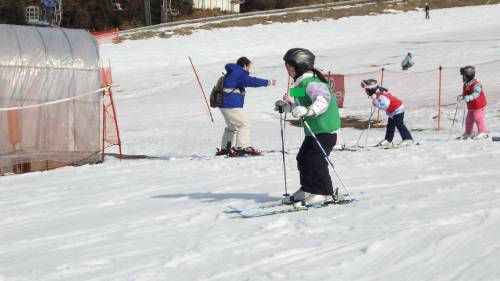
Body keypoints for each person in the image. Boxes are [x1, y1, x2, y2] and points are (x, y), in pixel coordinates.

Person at [275, 48, 341, 205]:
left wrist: (309, 110)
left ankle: (324, 192)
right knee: (303, 158)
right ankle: (308, 189)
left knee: (315, 159)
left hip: (326, 129)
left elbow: (323, 100)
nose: (287, 69)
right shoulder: (299, 84)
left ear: (300, 65)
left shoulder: (312, 83)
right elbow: (299, 105)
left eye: (289, 65)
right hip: (314, 131)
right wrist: (286, 107)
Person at [216, 57, 276, 156]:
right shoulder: (239, 73)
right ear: (245, 65)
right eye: (249, 67)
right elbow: (252, 81)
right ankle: (242, 147)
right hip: (231, 104)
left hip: (224, 104)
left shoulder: (232, 72)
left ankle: (225, 148)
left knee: (232, 127)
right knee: (244, 124)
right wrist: (268, 82)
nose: (249, 69)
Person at [360, 79, 414, 148]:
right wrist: (375, 100)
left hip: (397, 108)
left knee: (399, 124)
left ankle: (408, 139)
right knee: (390, 126)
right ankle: (388, 140)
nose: (366, 92)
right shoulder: (378, 94)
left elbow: (384, 106)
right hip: (392, 111)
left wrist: (375, 101)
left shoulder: (381, 96)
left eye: (366, 91)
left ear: (371, 90)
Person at [456, 66, 489, 140]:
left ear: (469, 75)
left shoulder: (476, 84)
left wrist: (469, 97)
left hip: (479, 105)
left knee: (478, 118)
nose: (463, 77)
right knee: (469, 120)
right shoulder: (466, 84)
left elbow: (476, 94)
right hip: (471, 106)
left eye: (464, 75)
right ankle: (469, 132)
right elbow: (465, 94)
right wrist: (461, 97)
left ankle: (483, 132)